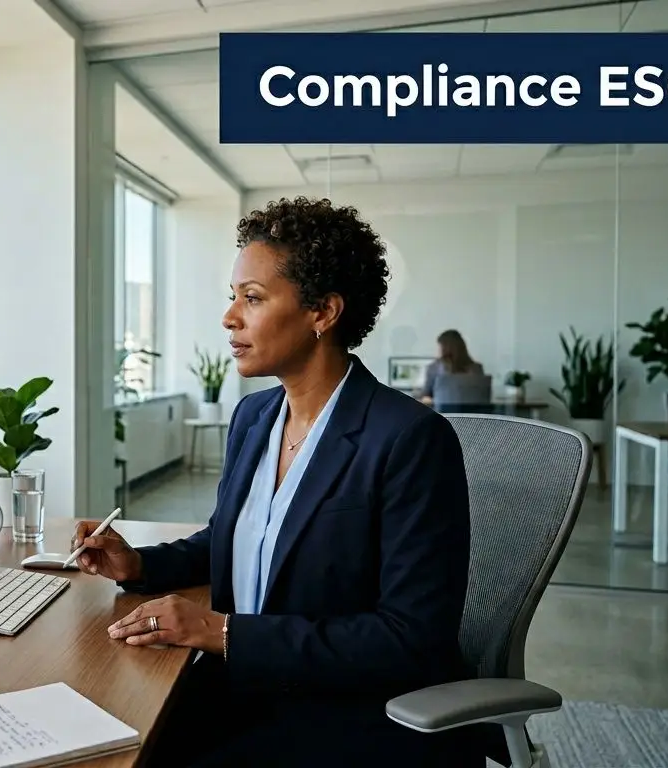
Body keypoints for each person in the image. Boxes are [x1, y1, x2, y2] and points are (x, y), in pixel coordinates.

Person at [70, 197, 495, 767]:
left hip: (347, 712)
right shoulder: (254, 418)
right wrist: (139, 565)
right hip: (244, 686)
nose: (229, 317)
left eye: (252, 299)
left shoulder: (410, 438)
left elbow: (410, 640)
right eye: (232, 297)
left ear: (323, 313)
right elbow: (229, 540)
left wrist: (225, 633)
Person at [418, 329, 484, 405]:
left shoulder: (434, 368)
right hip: (469, 415)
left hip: (451, 414)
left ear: (443, 347)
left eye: (439, 346)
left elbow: (426, 395)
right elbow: (425, 395)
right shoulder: (477, 368)